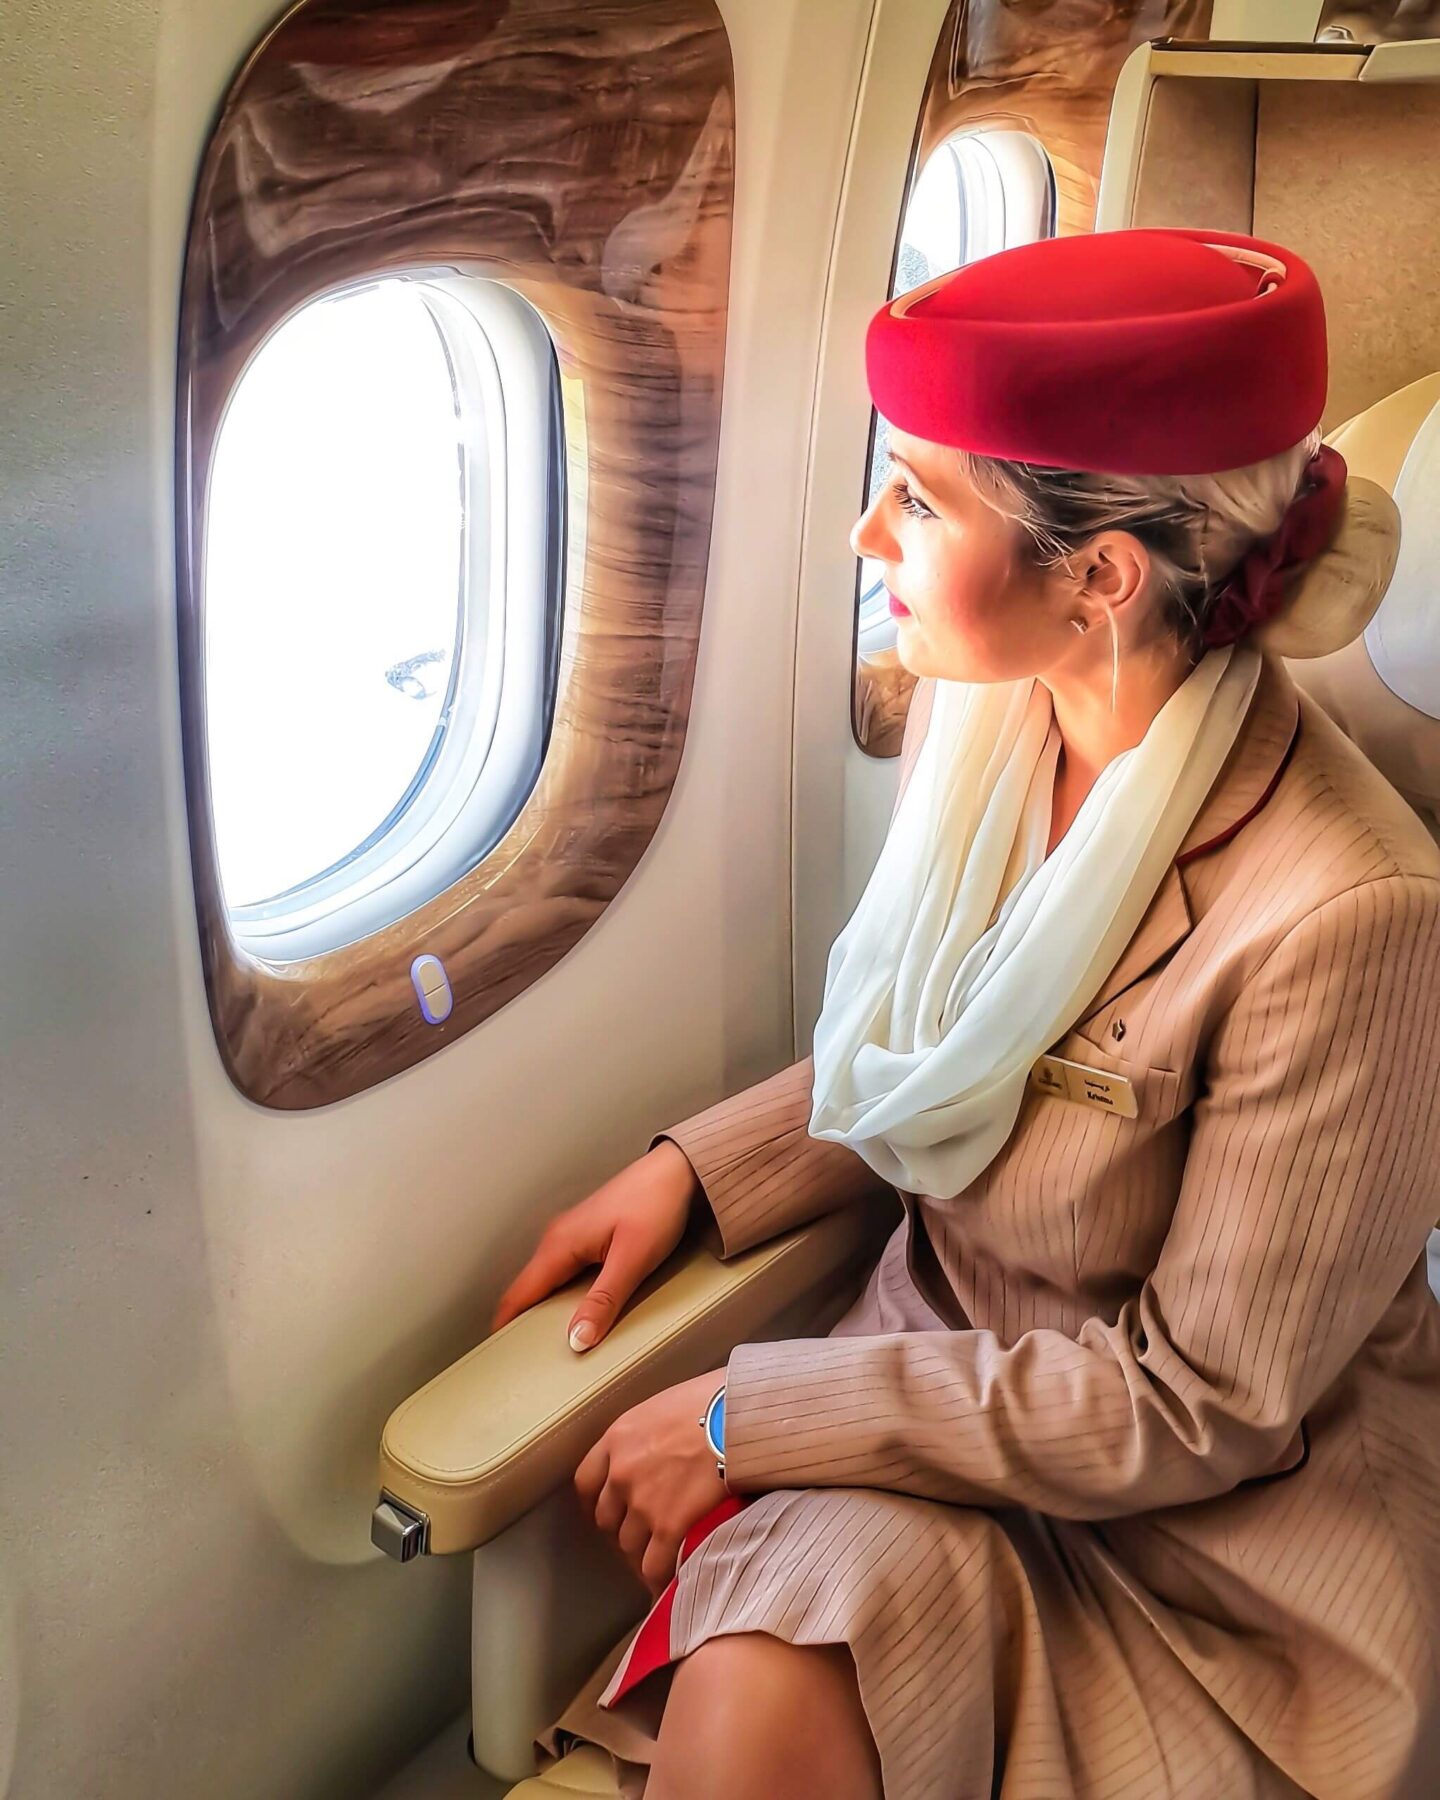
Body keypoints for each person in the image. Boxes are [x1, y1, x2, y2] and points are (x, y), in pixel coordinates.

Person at [493, 228, 1440, 1799]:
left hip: (1208, 1565)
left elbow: (1197, 1407)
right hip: (949, 1430)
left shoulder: (1357, 917)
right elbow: (961, 1050)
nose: (870, 533)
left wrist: (747, 1413)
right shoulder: (988, 720)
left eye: (923, 500)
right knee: (763, 1671)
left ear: (1103, 577)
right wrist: (698, 1171)